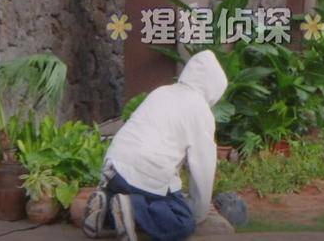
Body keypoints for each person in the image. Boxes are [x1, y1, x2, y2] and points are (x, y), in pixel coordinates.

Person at [82, 50, 227, 241]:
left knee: (137, 196)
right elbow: (203, 169)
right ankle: (132, 208)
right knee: (182, 222)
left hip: (115, 167)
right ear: (214, 87)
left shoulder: (162, 92)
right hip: (146, 174)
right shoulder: (200, 111)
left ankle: (107, 202)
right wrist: (199, 212)